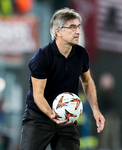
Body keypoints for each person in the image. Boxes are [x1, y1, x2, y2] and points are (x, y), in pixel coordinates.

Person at [19, 7, 105, 150]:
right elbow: (38, 95)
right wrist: (53, 114)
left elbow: (87, 81)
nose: (78, 31)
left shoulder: (81, 54)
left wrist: (96, 110)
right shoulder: (42, 57)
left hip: (66, 119)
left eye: (78, 27)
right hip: (39, 118)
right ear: (58, 31)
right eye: (72, 27)